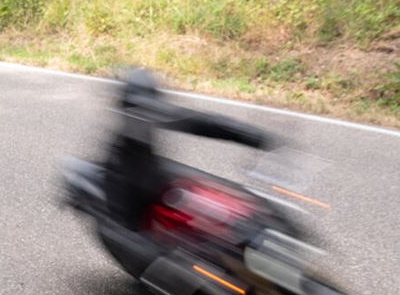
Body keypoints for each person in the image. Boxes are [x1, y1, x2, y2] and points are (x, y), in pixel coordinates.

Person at [104, 68, 274, 230]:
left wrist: (253, 136)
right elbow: (126, 218)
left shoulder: (151, 117)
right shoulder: (119, 160)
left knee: (211, 195)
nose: (144, 113)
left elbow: (202, 122)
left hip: (154, 178)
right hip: (134, 206)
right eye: (137, 107)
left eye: (150, 106)